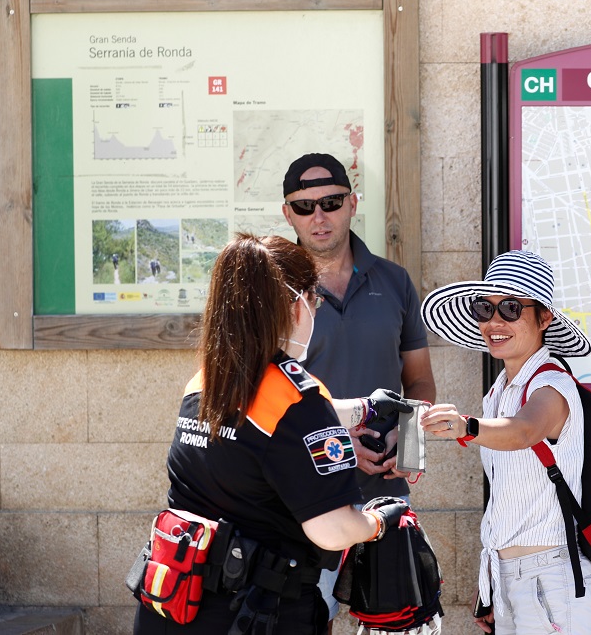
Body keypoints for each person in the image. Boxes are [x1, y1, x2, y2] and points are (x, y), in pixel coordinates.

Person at [133, 234, 412, 635]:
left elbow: (263, 428)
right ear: (296, 305)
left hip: (174, 607)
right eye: (313, 299)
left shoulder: (207, 382)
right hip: (255, 614)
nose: (314, 309)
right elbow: (332, 531)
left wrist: (366, 407)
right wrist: (379, 521)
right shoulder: (299, 401)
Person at [281, 153, 437, 628]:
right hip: (305, 496)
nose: (318, 216)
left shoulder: (394, 281)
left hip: (384, 497)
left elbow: (420, 380)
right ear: (287, 213)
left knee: (395, 621)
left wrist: (406, 445)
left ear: (351, 203)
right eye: (304, 207)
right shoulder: (275, 287)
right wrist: (336, 444)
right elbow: (261, 398)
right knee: (310, 620)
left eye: (330, 202)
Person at [419, 250, 591, 634]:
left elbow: (523, 431)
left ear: (544, 317)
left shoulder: (552, 386)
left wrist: (466, 426)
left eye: (510, 308)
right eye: (484, 308)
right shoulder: (499, 392)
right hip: (506, 579)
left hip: (551, 580)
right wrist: (491, 584)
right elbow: (508, 496)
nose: (495, 321)